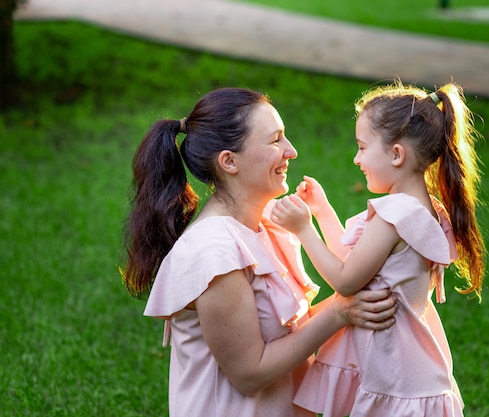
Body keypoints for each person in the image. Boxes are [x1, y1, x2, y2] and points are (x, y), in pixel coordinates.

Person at [120, 87, 398, 417]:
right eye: (275, 140)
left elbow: (291, 332)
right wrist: (340, 312)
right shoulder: (212, 253)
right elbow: (250, 373)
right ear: (229, 161)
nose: (291, 151)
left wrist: (353, 305)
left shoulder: (265, 226)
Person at [270, 80, 486, 416]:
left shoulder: (394, 216)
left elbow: (346, 280)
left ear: (397, 155)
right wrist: (323, 212)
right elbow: (359, 265)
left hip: (395, 372)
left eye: (362, 147)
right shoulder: (425, 209)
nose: (357, 159)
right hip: (401, 364)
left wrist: (303, 229)